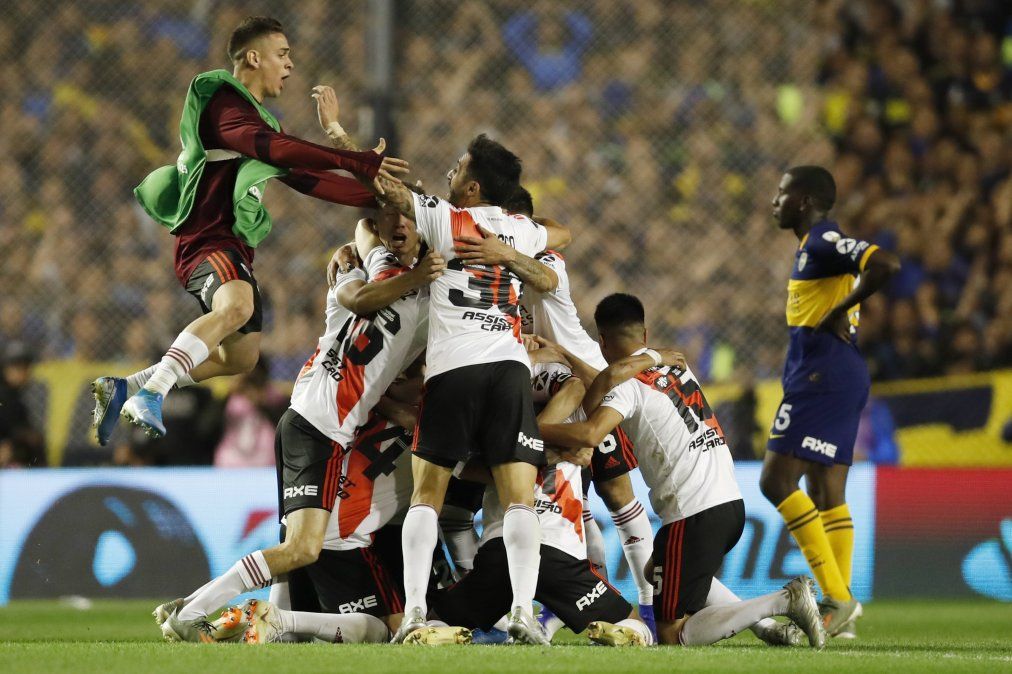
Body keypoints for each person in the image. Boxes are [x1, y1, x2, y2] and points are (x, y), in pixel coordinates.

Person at [91, 15, 409, 444]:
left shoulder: (261, 121)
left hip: (232, 248)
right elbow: (274, 149)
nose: (290, 65)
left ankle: (124, 387)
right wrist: (355, 161)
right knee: (237, 308)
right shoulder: (223, 103)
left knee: (240, 356)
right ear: (254, 57)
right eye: (283, 54)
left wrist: (378, 199)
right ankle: (151, 393)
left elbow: (306, 178)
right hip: (208, 241)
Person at [154, 206, 434, 642]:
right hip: (322, 425)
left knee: (298, 547)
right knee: (301, 547)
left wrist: (361, 249)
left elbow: (363, 234)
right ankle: (194, 611)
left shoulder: (369, 269)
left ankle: (200, 605)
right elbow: (365, 255)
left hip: (303, 416)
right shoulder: (417, 299)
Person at [539, 294, 825, 648]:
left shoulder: (627, 388)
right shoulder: (675, 365)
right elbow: (606, 379)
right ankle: (768, 627)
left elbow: (590, 432)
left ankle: (783, 601)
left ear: (602, 343)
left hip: (692, 516)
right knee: (654, 570)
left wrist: (531, 431)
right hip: (728, 504)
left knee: (670, 635)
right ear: (643, 335)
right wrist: (566, 355)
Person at [373, 134, 570, 644]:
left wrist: (343, 142)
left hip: (454, 368)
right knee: (520, 500)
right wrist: (505, 252)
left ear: (473, 184)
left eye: (457, 169)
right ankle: (524, 612)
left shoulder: (443, 216)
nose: (449, 175)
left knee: (427, 495)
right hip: (508, 370)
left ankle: (415, 612)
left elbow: (387, 190)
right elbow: (557, 245)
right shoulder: (524, 230)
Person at [503, 185, 657, 632]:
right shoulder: (491, 270)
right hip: (548, 392)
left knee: (618, 497)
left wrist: (503, 250)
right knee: (574, 502)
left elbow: (552, 260)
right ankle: (590, 603)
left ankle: (650, 608)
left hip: (589, 388)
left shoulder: (540, 259)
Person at [758, 166, 900, 638]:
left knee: (776, 481)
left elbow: (886, 263)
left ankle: (836, 599)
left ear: (803, 200)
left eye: (781, 194)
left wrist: (838, 310)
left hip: (823, 376)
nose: (774, 202)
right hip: (833, 374)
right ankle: (838, 613)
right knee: (825, 492)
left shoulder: (822, 240)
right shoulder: (811, 248)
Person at [431, 370, 653, 647]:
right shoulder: (577, 424)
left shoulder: (497, 432)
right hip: (558, 555)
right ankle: (628, 631)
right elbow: (580, 386)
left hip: (501, 552)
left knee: (438, 618)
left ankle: (440, 630)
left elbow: (462, 468)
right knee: (632, 622)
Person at [0, 341, 46, 468]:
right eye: (16, 366)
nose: (23, 372)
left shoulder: (19, 396)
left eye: (26, 366)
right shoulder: (4, 395)